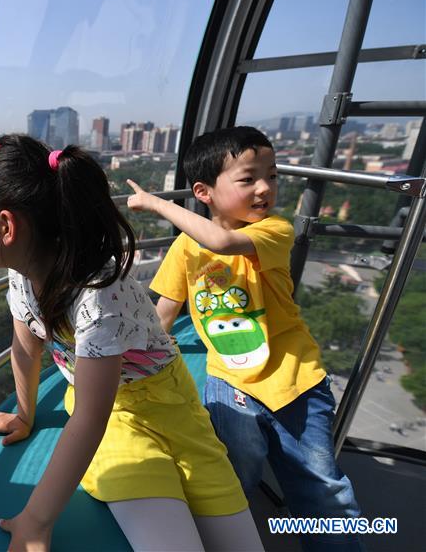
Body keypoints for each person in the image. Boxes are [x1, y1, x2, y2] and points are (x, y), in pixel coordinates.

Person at [0, 134, 262, 551]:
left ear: (6, 226)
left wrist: (34, 521)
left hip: (170, 406)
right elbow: (26, 346)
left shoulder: (98, 295)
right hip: (115, 418)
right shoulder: (23, 276)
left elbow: (88, 418)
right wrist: (25, 416)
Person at [129, 126, 362, 551]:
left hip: (294, 378)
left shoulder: (273, 230)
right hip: (230, 380)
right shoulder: (185, 249)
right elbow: (164, 312)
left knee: (321, 490)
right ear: (204, 192)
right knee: (234, 477)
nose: (265, 188)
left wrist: (156, 203)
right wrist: (135, 368)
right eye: (249, 178)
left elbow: (220, 240)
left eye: (271, 176)